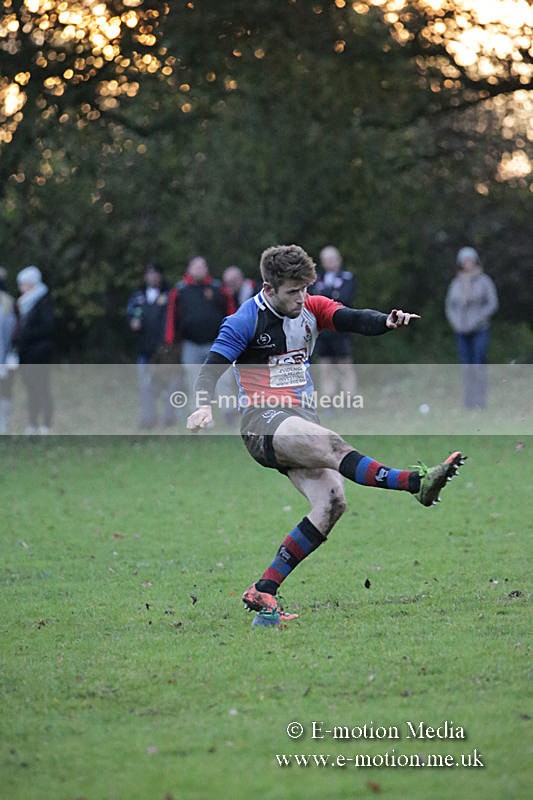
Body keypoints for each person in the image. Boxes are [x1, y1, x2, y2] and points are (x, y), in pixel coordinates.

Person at [187, 245, 466, 625]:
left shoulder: (309, 306)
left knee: (332, 501)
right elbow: (209, 370)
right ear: (268, 289)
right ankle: (416, 482)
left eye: (304, 289)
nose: (301, 298)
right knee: (333, 444)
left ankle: (264, 591)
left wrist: (387, 320)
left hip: (300, 418)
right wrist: (203, 404)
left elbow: (349, 317)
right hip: (262, 422)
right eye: (292, 292)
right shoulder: (243, 320)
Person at [172, 256, 235, 410]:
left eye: (202, 266)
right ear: (189, 269)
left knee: (224, 379)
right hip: (191, 344)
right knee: (195, 381)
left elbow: (231, 313)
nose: (199, 270)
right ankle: (199, 415)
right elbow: (172, 317)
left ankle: (228, 414)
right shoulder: (180, 291)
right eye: (196, 266)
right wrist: (171, 340)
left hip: (216, 343)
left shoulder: (218, 288)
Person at [445, 247, 499, 409]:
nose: (468, 263)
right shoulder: (456, 283)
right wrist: (456, 323)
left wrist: (479, 318)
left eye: (470, 260)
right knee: (466, 366)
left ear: (475, 261)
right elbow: (449, 306)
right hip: (461, 331)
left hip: (480, 329)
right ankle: (468, 403)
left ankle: (480, 402)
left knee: (478, 364)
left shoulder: (484, 281)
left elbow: (492, 303)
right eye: (465, 260)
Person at [127, 262, 179, 429]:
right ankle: (149, 418)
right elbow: (130, 315)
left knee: (169, 384)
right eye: (150, 273)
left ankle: (169, 418)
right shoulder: (138, 297)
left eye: (156, 273)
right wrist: (132, 321)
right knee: (145, 385)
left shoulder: (170, 295)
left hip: (165, 351)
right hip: (145, 350)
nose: (153, 277)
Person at [309, 245, 358, 406]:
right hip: (323, 330)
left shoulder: (347, 278)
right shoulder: (317, 279)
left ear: (339, 259)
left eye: (333, 259)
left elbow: (344, 298)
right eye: (326, 260)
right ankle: (329, 401)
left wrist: (325, 296)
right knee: (325, 367)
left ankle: (349, 400)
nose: (330, 262)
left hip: (341, 327)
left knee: (344, 365)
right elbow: (313, 300)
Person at [13, 265, 54, 434]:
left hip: (39, 354)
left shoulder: (42, 302)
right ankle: (32, 424)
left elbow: (47, 327)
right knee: (30, 389)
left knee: (42, 388)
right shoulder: (23, 304)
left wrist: (26, 335)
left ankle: (46, 424)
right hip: (26, 354)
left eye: (23, 284)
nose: (21, 288)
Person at [0, 267, 17, 434]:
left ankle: (3, 425)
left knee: (5, 391)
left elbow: (10, 333)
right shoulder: (8, 302)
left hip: (4, 357)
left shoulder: (7, 303)